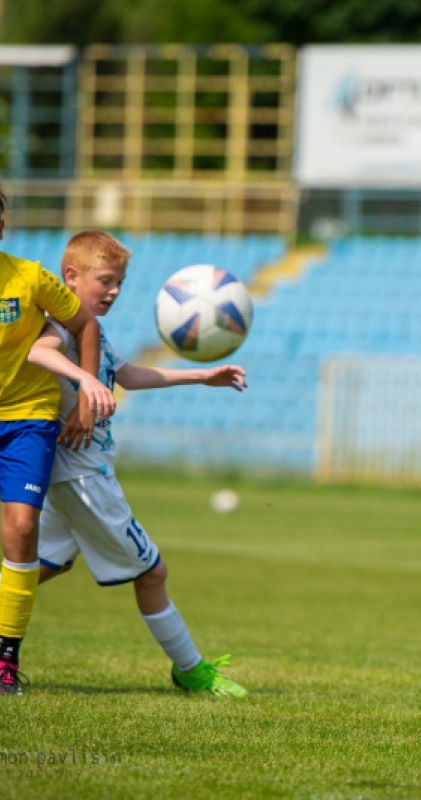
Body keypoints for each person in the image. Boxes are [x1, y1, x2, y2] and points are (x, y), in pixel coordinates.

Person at [27, 230, 248, 697]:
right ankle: (190, 669)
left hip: (71, 475)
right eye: (105, 280)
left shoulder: (94, 330)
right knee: (153, 572)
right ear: (71, 276)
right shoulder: (65, 326)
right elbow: (39, 351)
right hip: (82, 476)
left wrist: (202, 376)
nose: (114, 291)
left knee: (41, 565)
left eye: (120, 283)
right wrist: (84, 385)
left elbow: (127, 375)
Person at [0, 185, 115, 696]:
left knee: (23, 528)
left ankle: (5, 659)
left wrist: (87, 394)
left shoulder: (28, 277)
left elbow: (83, 321)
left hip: (27, 417)